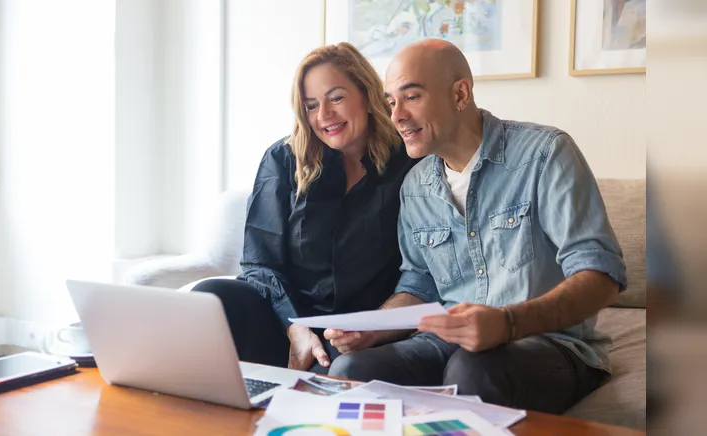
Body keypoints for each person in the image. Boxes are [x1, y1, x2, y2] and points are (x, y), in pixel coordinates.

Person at [324, 39, 628, 414]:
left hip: (550, 344)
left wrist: (508, 323)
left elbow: (601, 275)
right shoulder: (415, 186)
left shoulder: (546, 154)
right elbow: (419, 282)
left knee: (472, 370)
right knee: (350, 369)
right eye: (391, 102)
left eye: (412, 97)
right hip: (450, 343)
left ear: (460, 94)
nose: (396, 115)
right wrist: (375, 327)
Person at [193, 42, 416, 374]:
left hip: (358, 329)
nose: (323, 116)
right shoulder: (282, 159)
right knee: (210, 295)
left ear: (367, 95)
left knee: (341, 369)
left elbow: (419, 270)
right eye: (311, 105)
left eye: (336, 98)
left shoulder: (409, 161)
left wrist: (371, 327)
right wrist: (295, 325)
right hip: (286, 318)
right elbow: (260, 263)